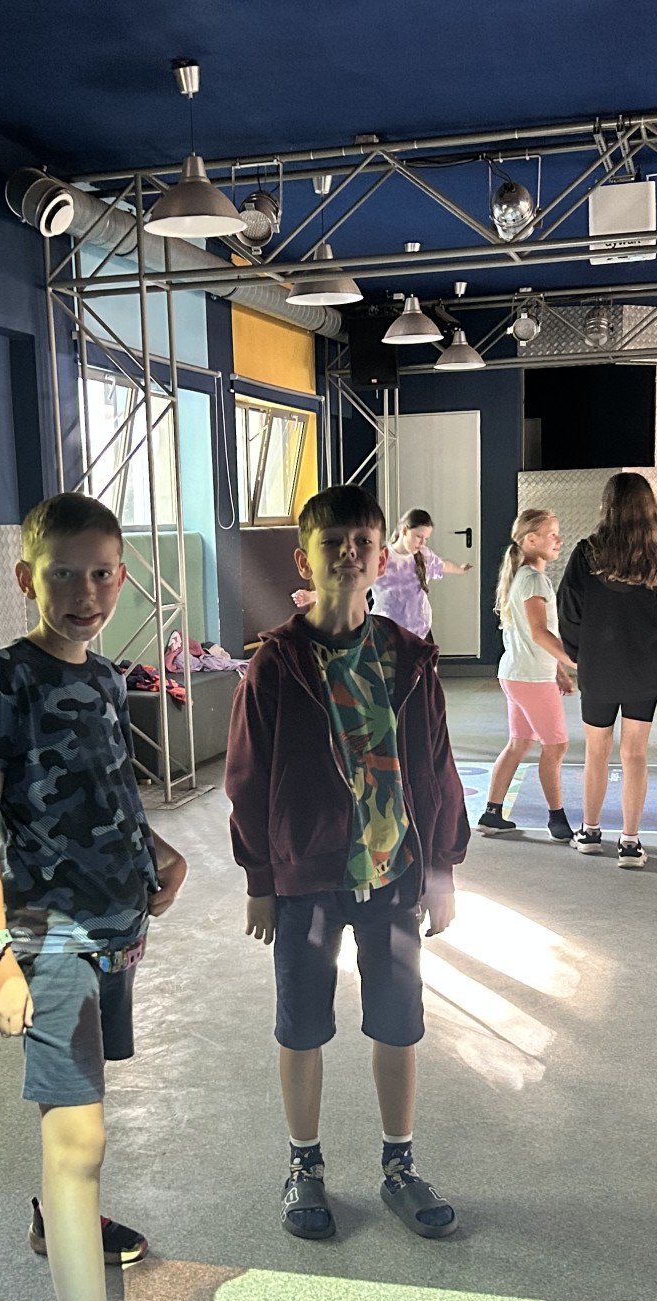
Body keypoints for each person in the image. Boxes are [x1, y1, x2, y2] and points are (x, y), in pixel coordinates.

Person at [0, 492, 188, 1301]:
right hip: (46, 936)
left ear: (122, 578)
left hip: (116, 926)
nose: (85, 592)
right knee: (79, 1137)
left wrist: (158, 850)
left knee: (85, 1113)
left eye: (101, 574)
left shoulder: (101, 674)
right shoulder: (5, 678)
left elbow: (106, 788)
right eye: (63, 574)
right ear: (27, 579)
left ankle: (61, 1218)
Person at [226, 484, 470, 1244]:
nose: (349, 554)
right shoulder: (277, 664)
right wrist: (260, 879)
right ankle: (304, 1164)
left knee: (398, 1023)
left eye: (363, 542)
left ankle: (399, 1164)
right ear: (305, 560)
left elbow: (437, 766)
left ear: (381, 558)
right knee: (302, 1025)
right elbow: (246, 779)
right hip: (308, 878)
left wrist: (443, 867)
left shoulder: (408, 658)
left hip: (394, 874)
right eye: (332, 543)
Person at [556, 473, 657, 864]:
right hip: (641, 671)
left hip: (597, 668)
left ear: (607, 506)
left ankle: (590, 831)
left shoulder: (587, 553)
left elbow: (568, 611)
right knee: (635, 755)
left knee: (596, 752)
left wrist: (580, 654)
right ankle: (630, 842)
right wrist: (653, 653)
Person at [478, 508, 577, 842]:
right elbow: (539, 632)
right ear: (531, 540)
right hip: (530, 679)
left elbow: (532, 634)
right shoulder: (533, 580)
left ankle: (492, 814)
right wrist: (575, 661)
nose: (558, 540)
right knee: (556, 746)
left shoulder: (523, 576)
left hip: (517, 674)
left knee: (519, 743)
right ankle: (557, 819)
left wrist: (559, 670)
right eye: (552, 534)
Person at [368, 507, 472, 643]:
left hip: (420, 632)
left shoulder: (424, 556)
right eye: (418, 537)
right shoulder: (381, 558)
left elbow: (443, 565)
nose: (422, 543)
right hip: (388, 634)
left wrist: (460, 569)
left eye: (426, 539)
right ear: (404, 530)